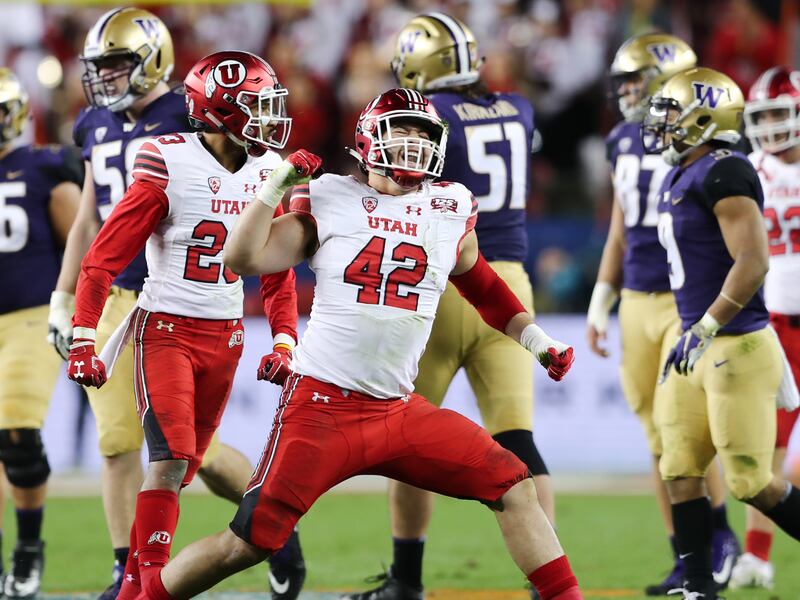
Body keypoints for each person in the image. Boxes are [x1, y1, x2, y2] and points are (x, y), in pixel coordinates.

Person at [133, 87, 581, 600]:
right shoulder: (330, 196)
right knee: (248, 543)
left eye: (422, 132)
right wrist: (276, 185)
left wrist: (537, 339)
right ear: (369, 139)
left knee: (513, 484)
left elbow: (483, 286)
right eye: (402, 129)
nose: (414, 141)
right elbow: (242, 259)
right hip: (320, 407)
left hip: (397, 411)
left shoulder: (449, 206)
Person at [46, 9, 306, 600]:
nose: (107, 78)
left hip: (217, 322)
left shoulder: (222, 143)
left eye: (118, 64)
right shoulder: (128, 135)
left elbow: (275, 266)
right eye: (101, 67)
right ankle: (133, 578)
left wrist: (285, 338)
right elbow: (92, 223)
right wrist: (71, 309)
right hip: (145, 304)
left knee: (192, 458)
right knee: (132, 448)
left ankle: (268, 533)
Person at [345, 13, 554, 600]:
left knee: (406, 437)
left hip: (445, 275)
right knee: (519, 440)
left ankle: (406, 580)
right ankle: (551, 579)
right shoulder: (519, 109)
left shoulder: (429, 119)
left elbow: (397, 181)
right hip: (511, 284)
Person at [588, 33, 740, 595]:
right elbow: (622, 226)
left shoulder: (709, 142)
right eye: (622, 82)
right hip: (636, 296)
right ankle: (686, 553)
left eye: (635, 80)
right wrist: (602, 294)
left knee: (686, 433)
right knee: (658, 439)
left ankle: (719, 537)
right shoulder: (620, 141)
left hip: (685, 298)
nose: (626, 92)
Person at [644, 66, 800, 599]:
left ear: (702, 116)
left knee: (751, 481)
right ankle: (696, 586)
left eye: (670, 113)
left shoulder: (725, 170)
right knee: (680, 466)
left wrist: (709, 324)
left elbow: (753, 261)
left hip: (734, 342)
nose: (661, 124)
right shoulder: (679, 173)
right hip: (695, 340)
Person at [0, 68, 82, 599]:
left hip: (31, 314)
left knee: (17, 435)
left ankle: (28, 549)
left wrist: (75, 307)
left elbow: (85, 241)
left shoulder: (43, 166)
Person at [729, 65, 800, 589]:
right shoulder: (748, 169)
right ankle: (756, 554)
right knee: (768, 445)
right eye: (765, 115)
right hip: (776, 323)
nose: (772, 125)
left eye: (780, 112)